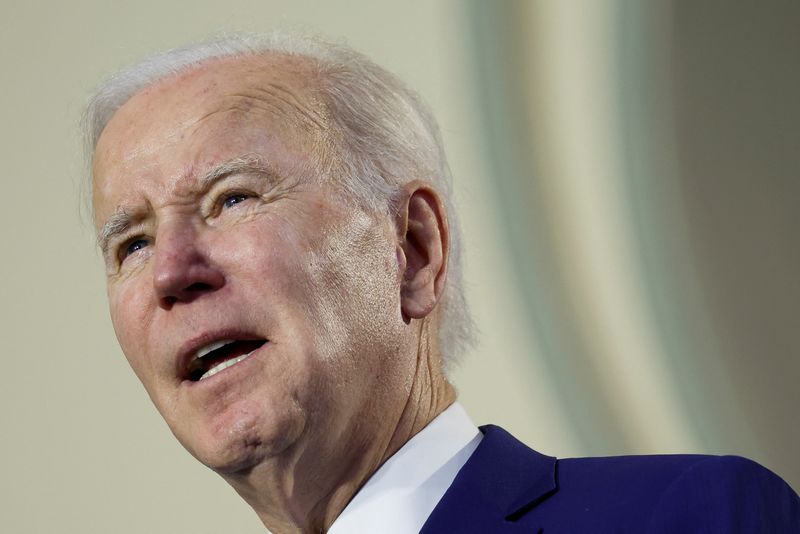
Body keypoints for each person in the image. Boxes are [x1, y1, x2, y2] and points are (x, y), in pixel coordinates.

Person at [85, 33, 799, 533]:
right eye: (133, 242)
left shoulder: (694, 518)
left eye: (231, 199)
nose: (173, 273)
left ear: (413, 249)